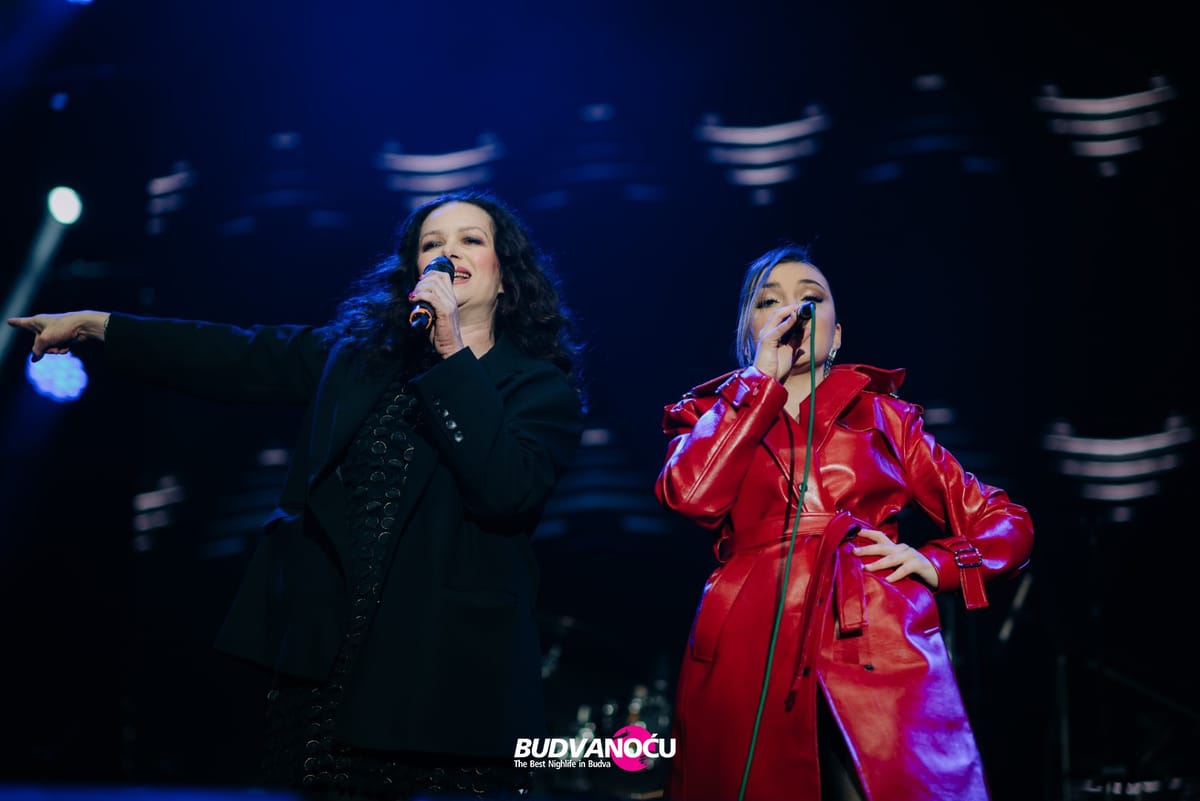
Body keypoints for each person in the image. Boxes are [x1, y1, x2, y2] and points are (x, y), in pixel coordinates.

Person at [7, 189, 587, 800]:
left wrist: (452, 350)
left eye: (471, 240)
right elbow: (234, 354)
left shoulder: (539, 388)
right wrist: (99, 325)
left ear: (505, 274)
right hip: (333, 666)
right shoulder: (358, 360)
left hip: (446, 673)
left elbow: (505, 490)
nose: (448, 254)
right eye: (431, 244)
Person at [653, 244, 1034, 801]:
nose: (793, 310)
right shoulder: (709, 415)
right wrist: (757, 383)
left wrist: (936, 563)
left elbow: (1006, 521)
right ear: (748, 333)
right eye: (769, 301)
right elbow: (688, 495)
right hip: (748, 641)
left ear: (836, 334)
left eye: (810, 298)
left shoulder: (886, 417)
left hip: (873, 634)